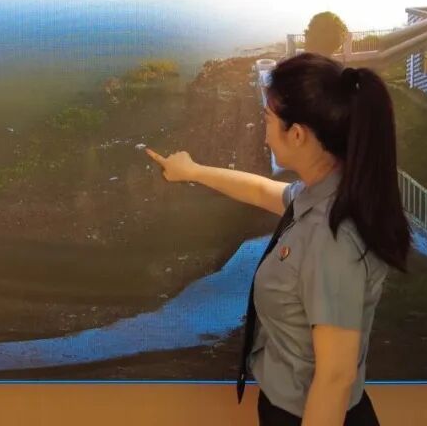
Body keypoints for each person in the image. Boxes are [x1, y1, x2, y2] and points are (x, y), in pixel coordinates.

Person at [146, 52, 410, 426]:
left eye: (268, 120)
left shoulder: (331, 239)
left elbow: (335, 378)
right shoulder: (324, 194)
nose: (264, 133)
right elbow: (262, 191)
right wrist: (192, 171)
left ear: (297, 134)